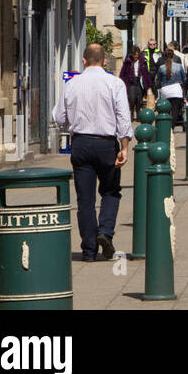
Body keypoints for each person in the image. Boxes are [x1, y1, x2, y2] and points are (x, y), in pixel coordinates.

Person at [52, 43, 132, 262]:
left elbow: (58, 117)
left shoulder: (72, 84)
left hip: (81, 144)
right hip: (106, 144)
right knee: (110, 191)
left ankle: (89, 250)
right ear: (105, 61)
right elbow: (123, 118)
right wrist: (124, 147)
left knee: (85, 200)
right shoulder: (115, 83)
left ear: (84, 60)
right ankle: (105, 231)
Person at [155, 44, 187, 129]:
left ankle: (165, 126)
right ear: (173, 57)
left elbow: (158, 80)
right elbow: (184, 79)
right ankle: (171, 128)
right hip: (176, 90)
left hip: (165, 91)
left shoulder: (161, 68)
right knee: (175, 110)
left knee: (166, 110)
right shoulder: (179, 66)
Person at [118, 45, 152, 120]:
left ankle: (138, 113)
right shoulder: (128, 61)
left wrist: (149, 85)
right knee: (132, 98)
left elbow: (147, 73)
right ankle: (132, 113)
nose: (136, 57)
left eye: (137, 56)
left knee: (139, 99)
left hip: (140, 82)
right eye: (134, 56)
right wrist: (122, 82)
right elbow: (123, 73)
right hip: (131, 82)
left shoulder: (143, 61)